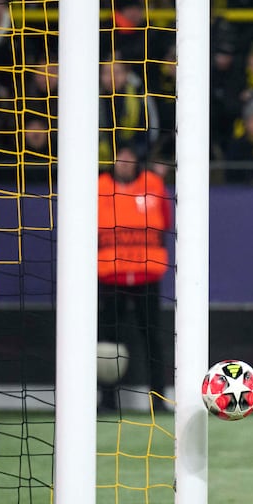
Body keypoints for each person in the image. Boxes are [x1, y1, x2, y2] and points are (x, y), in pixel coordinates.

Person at [98, 144, 171, 413]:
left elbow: (165, 221)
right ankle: (106, 401)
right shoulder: (99, 186)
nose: (125, 162)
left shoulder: (153, 184)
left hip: (146, 274)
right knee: (107, 343)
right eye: (120, 157)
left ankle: (159, 401)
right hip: (110, 276)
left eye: (129, 157)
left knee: (153, 339)